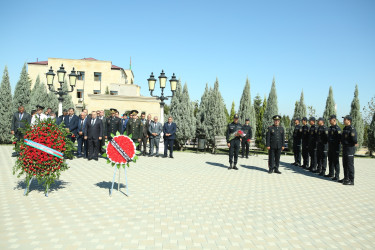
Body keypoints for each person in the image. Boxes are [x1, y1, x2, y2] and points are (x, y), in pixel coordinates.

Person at [340, 115, 357, 185]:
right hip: (345, 148)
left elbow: (354, 140)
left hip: (350, 148)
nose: (344, 121)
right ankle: (346, 178)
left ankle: (351, 180)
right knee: (345, 164)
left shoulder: (352, 129)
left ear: (349, 121)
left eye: (345, 120)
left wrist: (348, 142)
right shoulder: (345, 128)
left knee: (350, 164)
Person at [327, 115, 342, 181]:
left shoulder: (337, 129)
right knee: (330, 160)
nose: (330, 121)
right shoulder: (330, 128)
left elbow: (339, 139)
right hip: (330, 147)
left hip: (335, 147)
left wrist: (332, 141)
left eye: (331, 120)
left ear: (334, 120)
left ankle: (337, 175)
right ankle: (331, 173)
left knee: (336, 162)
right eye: (329, 120)